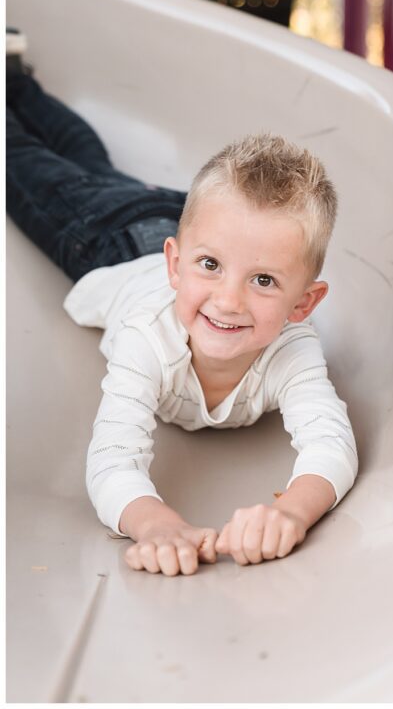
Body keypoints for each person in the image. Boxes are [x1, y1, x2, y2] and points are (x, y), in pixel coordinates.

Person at [6, 61, 358, 577]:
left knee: (90, 162)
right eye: (210, 269)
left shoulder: (292, 347)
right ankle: (13, 80)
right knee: (27, 164)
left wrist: (290, 512)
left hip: (196, 224)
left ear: (303, 305)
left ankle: (14, 75)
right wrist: (155, 523)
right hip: (112, 238)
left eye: (264, 281)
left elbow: (332, 444)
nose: (229, 301)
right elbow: (111, 460)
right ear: (179, 264)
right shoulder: (149, 336)